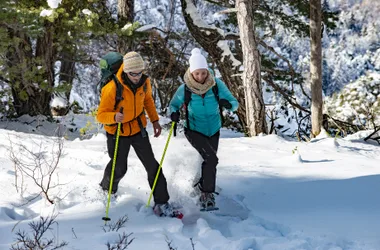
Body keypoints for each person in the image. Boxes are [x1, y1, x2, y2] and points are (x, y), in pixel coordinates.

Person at [97, 51, 174, 217]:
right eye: (133, 74)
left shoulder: (144, 83)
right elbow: (101, 115)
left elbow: (148, 101)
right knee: (119, 167)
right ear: (125, 71)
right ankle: (106, 189)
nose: (137, 76)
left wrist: (154, 121)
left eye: (140, 72)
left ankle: (162, 202)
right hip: (117, 131)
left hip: (138, 129)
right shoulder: (111, 88)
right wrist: (114, 117)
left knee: (152, 166)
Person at [169, 48, 239, 210]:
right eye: (197, 74)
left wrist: (229, 105)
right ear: (191, 73)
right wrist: (174, 113)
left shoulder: (216, 85)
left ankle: (198, 184)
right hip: (193, 130)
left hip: (214, 129)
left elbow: (234, 102)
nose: (200, 77)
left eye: (203, 73)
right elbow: (173, 104)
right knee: (211, 159)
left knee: (208, 161)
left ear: (207, 71)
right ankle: (206, 194)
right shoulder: (185, 88)